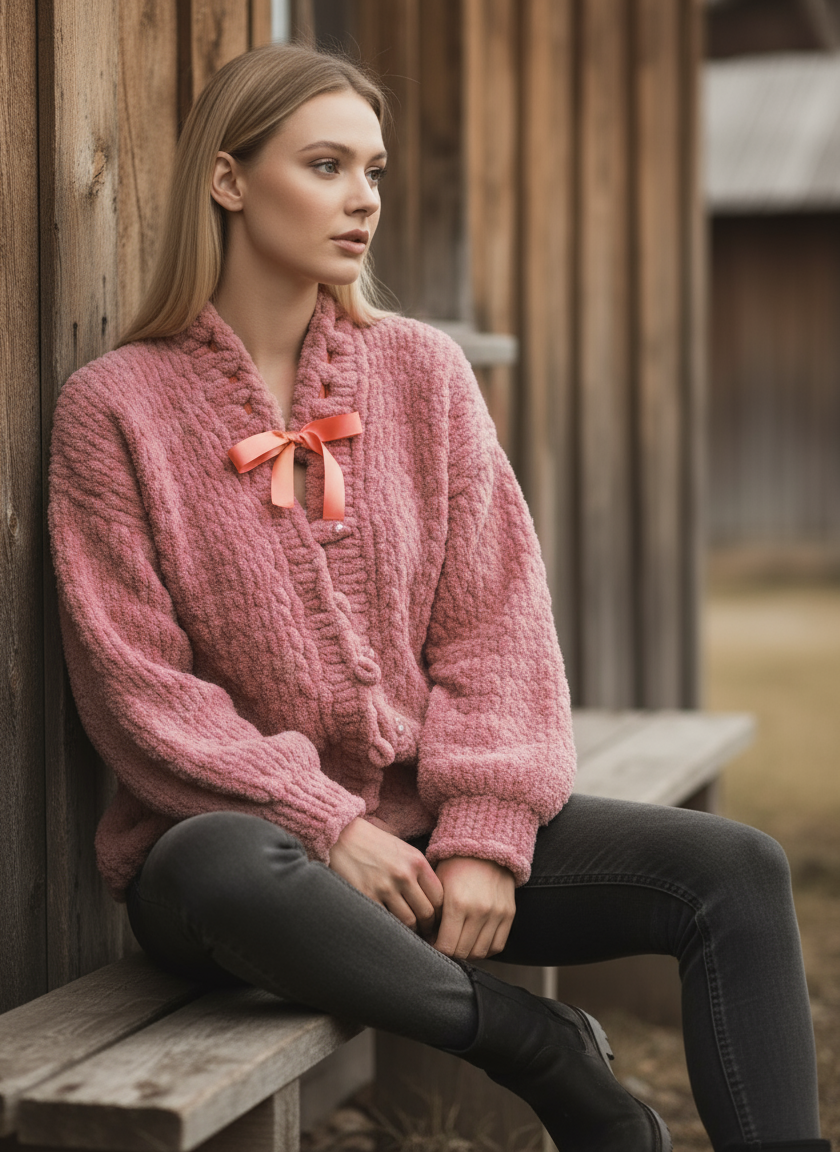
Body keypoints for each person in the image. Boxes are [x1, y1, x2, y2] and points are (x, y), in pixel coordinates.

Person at [48, 43, 828, 1152]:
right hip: (248, 883)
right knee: (220, 856)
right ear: (228, 180)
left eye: (373, 171)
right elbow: (137, 690)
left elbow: (497, 622)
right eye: (324, 165)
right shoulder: (113, 407)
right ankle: (533, 1047)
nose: (361, 200)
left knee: (733, 869)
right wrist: (324, 827)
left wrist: (484, 831)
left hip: (424, 847)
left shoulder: (419, 373)